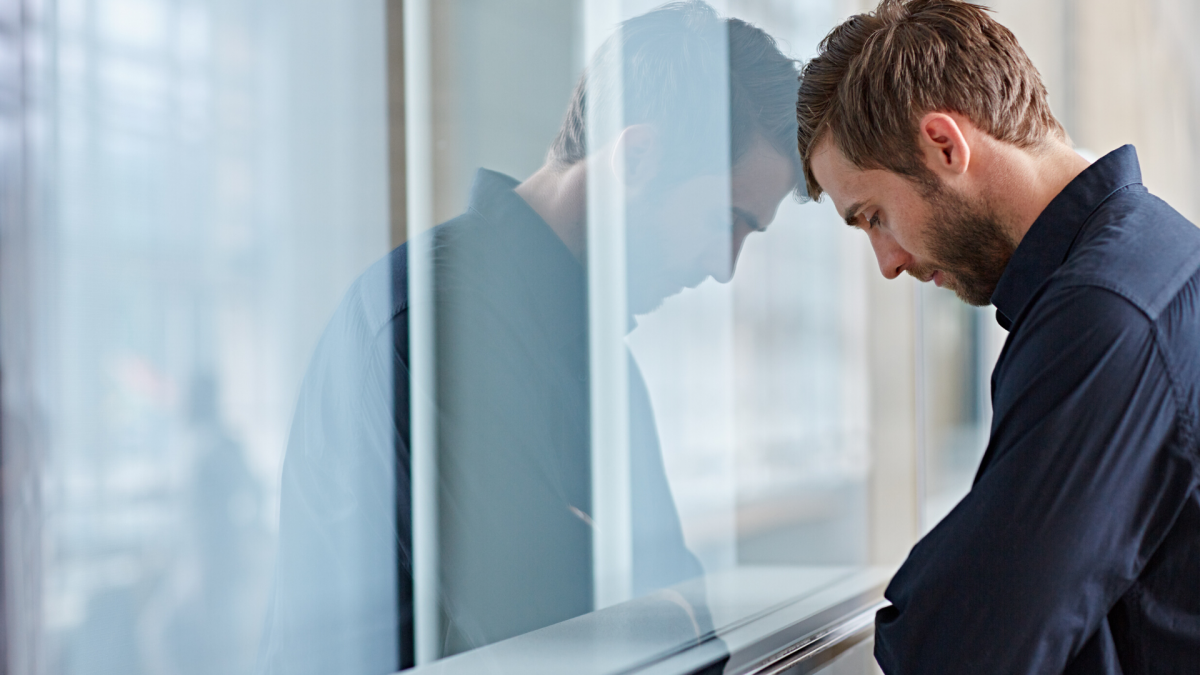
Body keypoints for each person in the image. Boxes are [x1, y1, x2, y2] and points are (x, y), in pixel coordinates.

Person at [258, 3, 803, 674]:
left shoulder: (601, 362)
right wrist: (653, 607)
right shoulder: (435, 324)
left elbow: (684, 625)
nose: (724, 266)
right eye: (726, 219)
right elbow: (564, 636)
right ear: (636, 158)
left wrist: (654, 606)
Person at [796, 1, 1200, 673]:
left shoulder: (1107, 313)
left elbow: (964, 649)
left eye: (873, 216)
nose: (888, 262)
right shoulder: (1152, 257)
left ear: (945, 145)